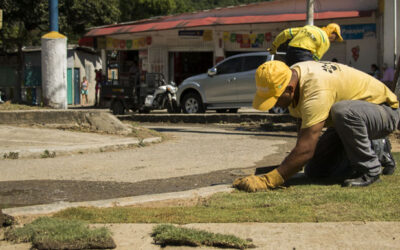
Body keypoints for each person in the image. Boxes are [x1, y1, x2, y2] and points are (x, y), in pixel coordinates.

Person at [233, 60, 399, 192]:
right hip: (347, 124)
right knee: (315, 171)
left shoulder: (316, 91)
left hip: (383, 112)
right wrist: (287, 166)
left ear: (289, 89)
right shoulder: (292, 75)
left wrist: (269, 180)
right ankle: (369, 151)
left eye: (275, 99)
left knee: (342, 111)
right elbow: (303, 140)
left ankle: (371, 165)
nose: (273, 104)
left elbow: (306, 150)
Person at [269, 23, 344, 66]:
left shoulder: (308, 27)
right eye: (336, 37)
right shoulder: (325, 41)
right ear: (332, 33)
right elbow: (316, 58)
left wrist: (274, 46)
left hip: (290, 52)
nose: (334, 40)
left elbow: (286, 33)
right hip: (304, 56)